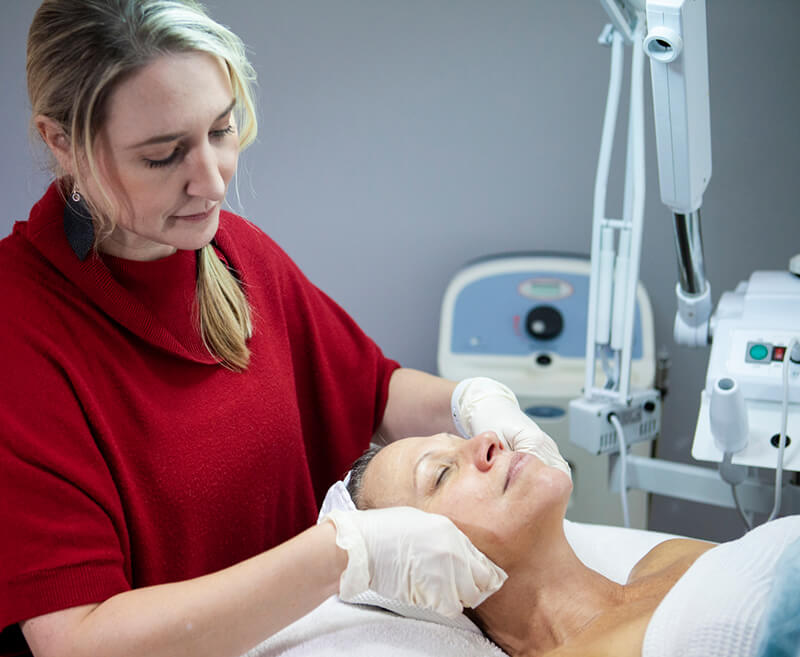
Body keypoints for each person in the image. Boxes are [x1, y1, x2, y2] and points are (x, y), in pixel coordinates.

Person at [0, 3, 551, 656]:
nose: (211, 181)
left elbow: (371, 393)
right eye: (162, 155)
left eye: (221, 129)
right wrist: (341, 555)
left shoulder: (232, 253)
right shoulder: (21, 332)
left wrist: (474, 401)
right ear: (61, 141)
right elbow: (77, 641)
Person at [344, 431, 800, 657]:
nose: (488, 440)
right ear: (422, 564)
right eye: (442, 472)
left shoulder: (666, 558)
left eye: (464, 438)